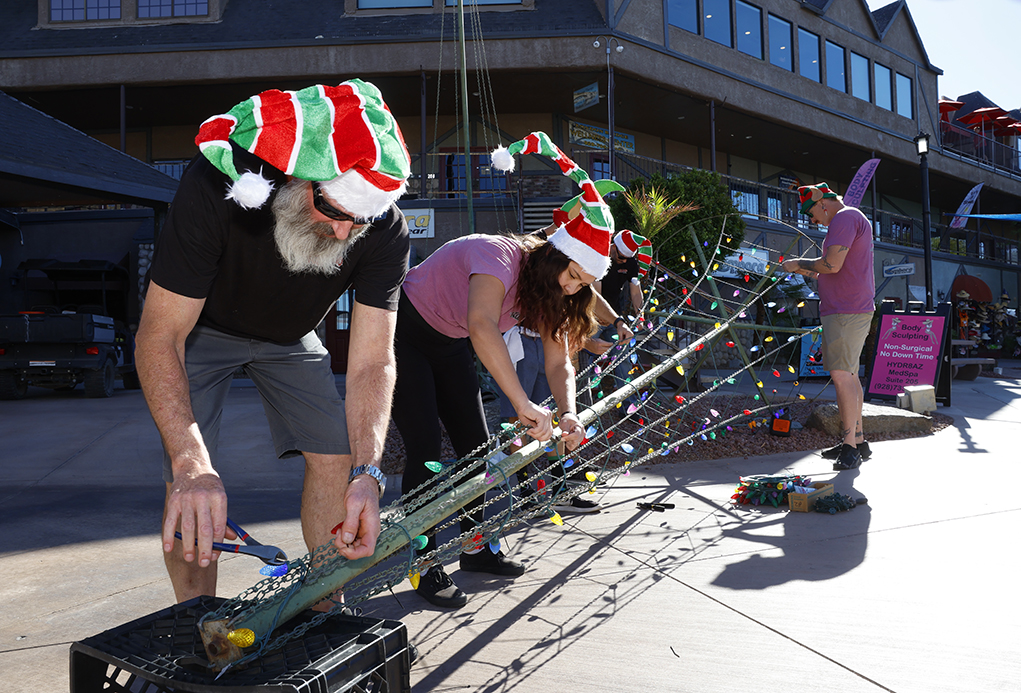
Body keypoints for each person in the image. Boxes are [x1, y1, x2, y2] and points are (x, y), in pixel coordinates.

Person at [135, 80, 413, 603]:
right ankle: (199, 621)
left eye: (359, 221)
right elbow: (159, 334)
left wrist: (368, 472)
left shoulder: (383, 228)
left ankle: (326, 607)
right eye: (333, 211)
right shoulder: (217, 186)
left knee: (339, 456)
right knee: (190, 479)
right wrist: (192, 463)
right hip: (200, 332)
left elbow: (374, 360)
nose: (341, 233)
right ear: (298, 178)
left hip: (290, 338)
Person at [391, 131, 613, 608]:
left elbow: (559, 360)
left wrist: (568, 413)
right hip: (405, 333)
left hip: (448, 343)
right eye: (572, 275)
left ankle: (475, 547)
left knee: (474, 449)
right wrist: (523, 404)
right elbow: (480, 325)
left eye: (585, 283)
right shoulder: (498, 254)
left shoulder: (553, 291)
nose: (574, 289)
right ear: (553, 255)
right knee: (427, 451)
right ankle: (423, 563)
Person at [781, 183, 875, 471]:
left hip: (845, 310)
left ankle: (850, 448)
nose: (812, 220)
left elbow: (831, 265)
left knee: (841, 376)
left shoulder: (845, 218)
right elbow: (830, 270)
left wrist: (799, 261)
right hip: (851, 308)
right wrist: (799, 268)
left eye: (811, 213)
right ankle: (857, 441)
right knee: (849, 375)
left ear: (822, 203)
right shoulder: (853, 218)